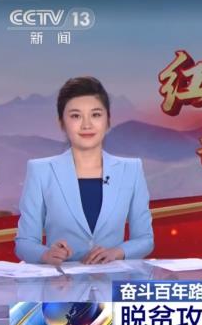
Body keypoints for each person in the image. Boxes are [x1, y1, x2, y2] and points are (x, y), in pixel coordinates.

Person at [15, 77, 155, 265]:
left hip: (112, 279)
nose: (87, 125)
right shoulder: (41, 171)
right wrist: (46, 254)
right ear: (61, 122)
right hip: (61, 280)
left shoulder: (131, 170)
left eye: (96, 115)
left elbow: (145, 239)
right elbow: (24, 242)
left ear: (108, 120)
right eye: (76, 116)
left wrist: (118, 252)